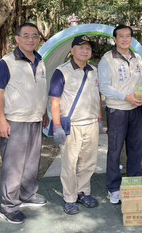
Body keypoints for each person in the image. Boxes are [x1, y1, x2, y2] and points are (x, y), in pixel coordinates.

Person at [0, 23, 48, 224]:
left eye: (35, 35)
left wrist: (44, 112)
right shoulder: (7, 62)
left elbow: (40, 89)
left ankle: (27, 195)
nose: (30, 39)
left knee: (32, 162)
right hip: (15, 121)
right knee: (13, 166)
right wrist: (1, 120)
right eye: (26, 35)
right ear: (17, 39)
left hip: (35, 119)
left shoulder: (40, 61)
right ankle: (8, 207)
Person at [49, 36, 102, 215]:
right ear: (72, 51)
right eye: (81, 48)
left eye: (88, 48)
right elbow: (54, 101)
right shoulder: (61, 71)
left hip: (91, 124)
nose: (85, 51)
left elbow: (97, 96)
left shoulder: (94, 70)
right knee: (70, 164)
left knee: (88, 162)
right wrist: (57, 126)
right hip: (72, 125)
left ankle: (82, 192)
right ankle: (70, 198)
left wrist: (99, 118)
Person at [98, 25, 142, 204]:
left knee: (136, 148)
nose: (125, 39)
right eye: (121, 36)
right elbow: (104, 87)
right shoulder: (107, 59)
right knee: (115, 149)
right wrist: (125, 97)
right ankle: (113, 187)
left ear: (131, 39)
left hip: (136, 110)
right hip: (117, 110)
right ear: (115, 39)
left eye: (128, 36)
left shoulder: (137, 58)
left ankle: (135, 183)